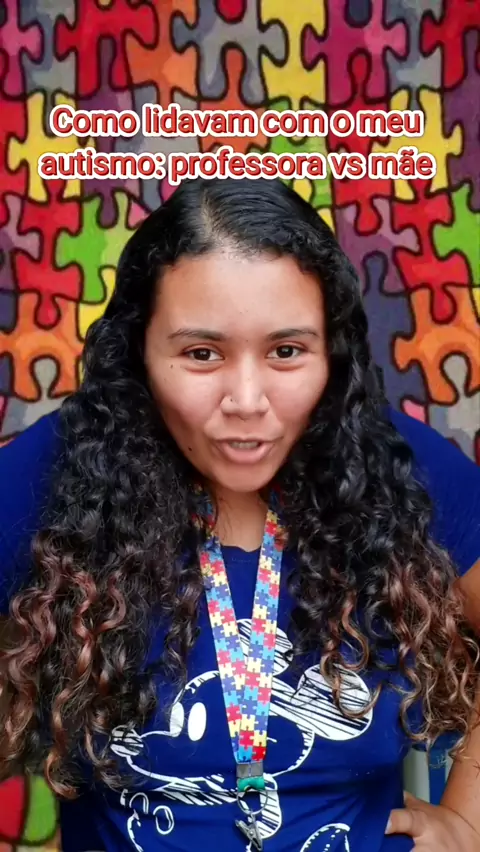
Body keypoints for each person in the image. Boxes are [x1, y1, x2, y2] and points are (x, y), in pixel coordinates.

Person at [0, 177, 480, 852]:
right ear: (141, 353)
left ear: (330, 351)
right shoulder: (59, 469)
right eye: (202, 354)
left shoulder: (397, 465)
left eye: (286, 351)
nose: (248, 401)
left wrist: (467, 821)